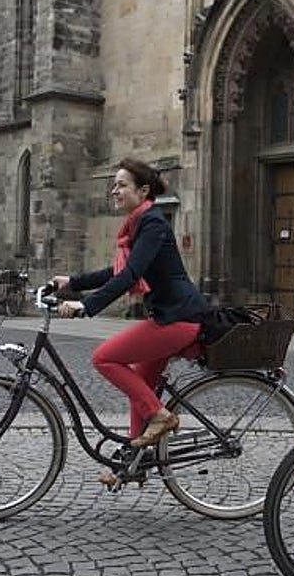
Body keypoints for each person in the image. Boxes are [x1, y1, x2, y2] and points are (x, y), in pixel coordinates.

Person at [52, 158, 208, 486]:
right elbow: (119, 271)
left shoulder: (152, 223)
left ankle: (163, 418)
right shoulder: (139, 225)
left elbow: (130, 275)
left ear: (143, 190)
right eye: (114, 184)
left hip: (178, 318)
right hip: (171, 315)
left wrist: (85, 307)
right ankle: (133, 463)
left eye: (122, 184)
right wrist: (73, 282)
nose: (115, 190)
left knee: (105, 357)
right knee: (141, 385)